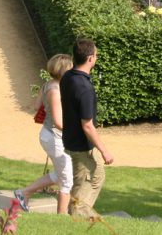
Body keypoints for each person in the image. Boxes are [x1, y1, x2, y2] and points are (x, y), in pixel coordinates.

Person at [60, 38, 113, 218]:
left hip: (70, 139)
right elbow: (88, 126)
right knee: (92, 178)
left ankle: (76, 212)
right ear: (90, 58)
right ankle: (78, 215)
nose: (96, 58)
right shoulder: (85, 88)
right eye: (96, 55)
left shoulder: (68, 77)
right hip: (80, 145)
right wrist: (104, 151)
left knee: (84, 179)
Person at [14, 54, 74, 214]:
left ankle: (24, 192)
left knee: (61, 174)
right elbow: (58, 122)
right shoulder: (55, 91)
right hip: (55, 137)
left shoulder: (48, 84)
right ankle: (61, 218)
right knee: (67, 181)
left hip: (48, 135)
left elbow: (36, 106)